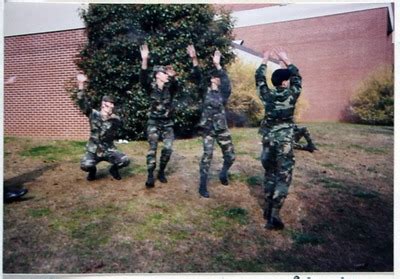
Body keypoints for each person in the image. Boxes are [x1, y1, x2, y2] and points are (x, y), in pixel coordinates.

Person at [255, 48, 302, 230]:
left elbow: (259, 79)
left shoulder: (267, 95)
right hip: (284, 142)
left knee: (270, 174)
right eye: (287, 80)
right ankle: (274, 215)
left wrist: (264, 61)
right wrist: (286, 60)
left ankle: (267, 209)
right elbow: (298, 78)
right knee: (283, 177)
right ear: (285, 82)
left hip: (268, 140)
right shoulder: (292, 94)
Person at [187, 45, 236, 198]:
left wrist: (217, 64)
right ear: (212, 79)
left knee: (230, 156)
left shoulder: (224, 93)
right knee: (207, 155)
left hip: (222, 129)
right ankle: (203, 184)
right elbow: (196, 77)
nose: (219, 79)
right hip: (207, 129)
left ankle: (223, 173)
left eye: (219, 78)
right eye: (216, 77)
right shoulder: (204, 91)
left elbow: (227, 82)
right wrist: (194, 59)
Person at [76, 74, 130, 181]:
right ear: (103, 104)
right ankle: (92, 170)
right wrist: (81, 84)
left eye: (111, 106)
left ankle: (113, 170)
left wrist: (113, 117)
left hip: (108, 150)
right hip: (94, 150)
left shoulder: (115, 119)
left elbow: (123, 122)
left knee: (125, 160)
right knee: (85, 165)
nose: (110, 107)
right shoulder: (93, 114)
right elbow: (82, 103)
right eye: (108, 105)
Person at [139, 44, 179, 188]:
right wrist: (145, 60)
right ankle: (150, 174)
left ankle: (161, 171)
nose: (166, 75)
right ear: (157, 75)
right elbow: (143, 78)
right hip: (154, 123)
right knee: (152, 149)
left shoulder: (170, 88)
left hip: (167, 124)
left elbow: (176, 85)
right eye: (164, 73)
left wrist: (173, 77)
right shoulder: (150, 88)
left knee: (168, 149)